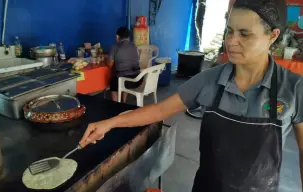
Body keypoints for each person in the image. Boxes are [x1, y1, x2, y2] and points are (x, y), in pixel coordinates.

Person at [80, 0, 303, 191]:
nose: (231, 41)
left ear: (273, 36)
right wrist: (111, 123)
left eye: (245, 34)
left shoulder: (293, 88)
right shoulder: (208, 81)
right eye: (229, 30)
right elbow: (159, 110)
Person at [107, 26, 143, 103]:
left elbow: (110, 65)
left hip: (125, 81)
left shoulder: (115, 47)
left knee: (114, 82)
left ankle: (116, 104)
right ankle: (124, 101)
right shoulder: (134, 46)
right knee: (124, 75)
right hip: (138, 80)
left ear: (117, 37)